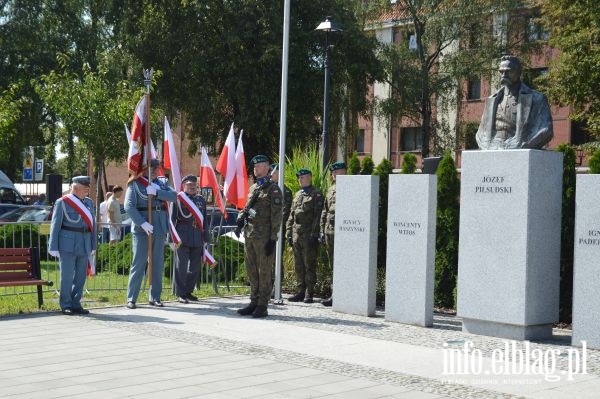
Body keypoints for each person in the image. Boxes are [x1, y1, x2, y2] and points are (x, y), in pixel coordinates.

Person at [125, 159, 176, 309]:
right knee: (139, 263)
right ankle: (131, 298)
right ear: (144, 169)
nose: (154, 170)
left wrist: (157, 192)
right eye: (151, 168)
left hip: (159, 227)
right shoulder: (135, 183)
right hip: (143, 228)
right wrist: (142, 222)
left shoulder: (161, 183)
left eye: (156, 168)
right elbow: (129, 206)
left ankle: (155, 297)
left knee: (157, 264)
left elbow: (174, 196)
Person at [236, 155, 283, 318]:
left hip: (264, 238)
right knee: (252, 271)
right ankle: (253, 301)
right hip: (250, 235)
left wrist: (272, 238)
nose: (255, 169)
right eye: (254, 167)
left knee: (264, 272)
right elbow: (247, 208)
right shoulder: (254, 188)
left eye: (259, 166)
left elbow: (276, 216)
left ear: (267, 167)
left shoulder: (273, 189)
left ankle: (262, 305)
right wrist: (239, 222)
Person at [476, 55, 553, 150]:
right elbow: (480, 133)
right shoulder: (491, 101)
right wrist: (487, 144)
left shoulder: (537, 99)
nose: (504, 75)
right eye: (501, 72)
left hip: (519, 146)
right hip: (493, 145)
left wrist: (524, 144)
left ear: (518, 72)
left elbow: (546, 130)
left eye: (508, 71)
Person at [48, 176, 96, 315]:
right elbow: (55, 225)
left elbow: (92, 225)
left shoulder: (89, 203)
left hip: (84, 242)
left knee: (81, 276)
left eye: (88, 187)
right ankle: (66, 304)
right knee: (67, 276)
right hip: (67, 244)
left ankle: (76, 303)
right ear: (75, 188)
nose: (87, 189)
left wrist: (93, 244)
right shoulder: (62, 202)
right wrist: (53, 246)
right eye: (85, 187)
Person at [285, 169, 324, 303]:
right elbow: (291, 215)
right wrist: (289, 232)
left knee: (309, 264)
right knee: (299, 265)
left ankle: (309, 292)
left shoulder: (316, 194)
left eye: (302, 177)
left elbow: (318, 216)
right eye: (299, 178)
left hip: (308, 235)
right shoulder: (297, 194)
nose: (300, 180)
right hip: (297, 234)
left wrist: (314, 234)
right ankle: (300, 291)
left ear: (310, 178)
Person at [172, 175, 208, 304]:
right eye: (189, 184)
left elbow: (204, 220)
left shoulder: (201, 200)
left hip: (197, 236)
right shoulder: (178, 199)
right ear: (184, 186)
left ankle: (188, 291)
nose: (192, 187)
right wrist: (173, 238)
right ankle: (180, 293)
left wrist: (206, 237)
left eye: (194, 184)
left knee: (195, 267)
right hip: (182, 236)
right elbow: (172, 220)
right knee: (181, 266)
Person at [319, 161, 346, 307]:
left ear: (344, 172)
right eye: (333, 173)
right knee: (333, 265)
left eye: (338, 172)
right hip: (330, 231)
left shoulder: (351, 188)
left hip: (344, 232)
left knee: (343, 264)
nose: (334, 175)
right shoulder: (331, 190)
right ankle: (334, 294)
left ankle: (343, 294)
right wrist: (322, 230)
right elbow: (325, 211)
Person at [270, 163, 292, 292]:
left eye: (274, 172)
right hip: (266, 230)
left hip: (277, 230)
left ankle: (276, 287)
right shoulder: (267, 189)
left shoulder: (285, 191)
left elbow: (285, 212)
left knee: (276, 259)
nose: (271, 175)